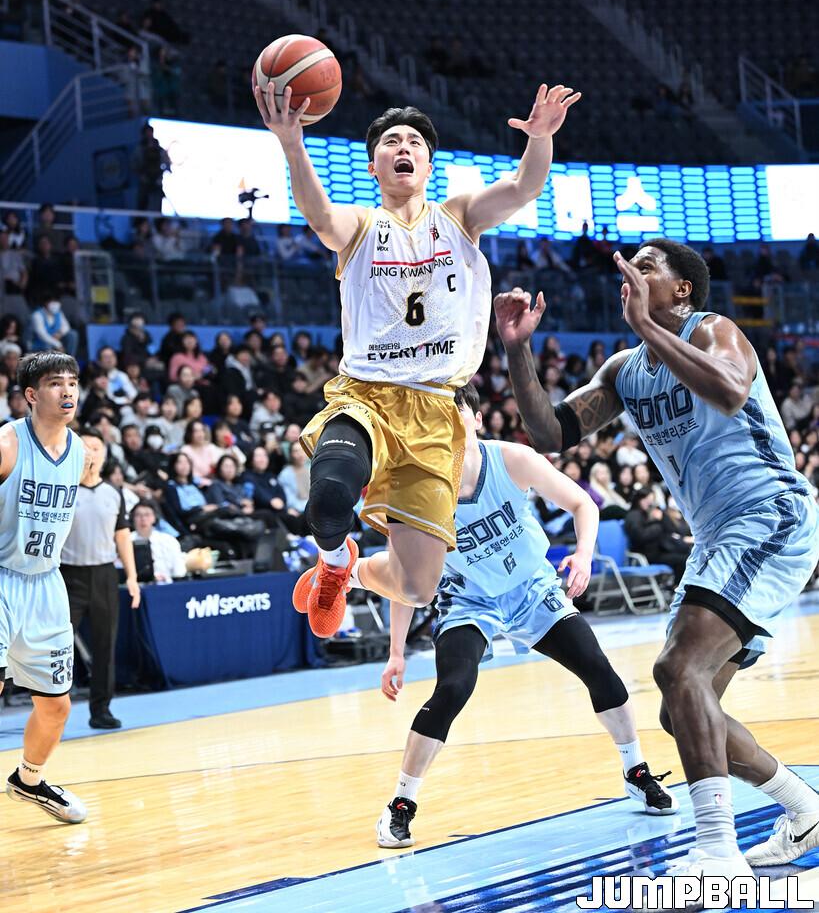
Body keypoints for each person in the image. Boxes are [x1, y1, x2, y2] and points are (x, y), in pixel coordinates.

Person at [494, 238, 819, 887]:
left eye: (647, 267)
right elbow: (550, 433)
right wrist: (516, 349)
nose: (630, 274)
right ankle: (805, 810)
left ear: (681, 290)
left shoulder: (713, 330)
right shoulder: (625, 370)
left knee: (677, 667)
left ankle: (716, 850)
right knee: (681, 709)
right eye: (629, 267)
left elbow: (730, 390)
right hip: (717, 536)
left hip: (768, 514)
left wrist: (647, 326)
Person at [253, 79, 581, 639]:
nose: (403, 147)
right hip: (367, 398)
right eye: (391, 141)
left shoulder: (459, 216)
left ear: (428, 165)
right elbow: (319, 216)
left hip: (435, 411)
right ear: (374, 166)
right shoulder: (360, 226)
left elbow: (525, 185)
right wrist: (291, 142)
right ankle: (333, 561)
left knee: (418, 586)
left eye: (414, 142)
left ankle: (354, 572)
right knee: (329, 497)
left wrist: (541, 138)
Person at [375, 383, 677, 848]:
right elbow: (405, 578)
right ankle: (400, 804)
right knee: (453, 687)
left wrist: (583, 554)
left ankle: (634, 770)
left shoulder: (511, 459)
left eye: (456, 416)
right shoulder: (420, 491)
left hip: (533, 589)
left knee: (599, 670)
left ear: (477, 420)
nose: (448, 428)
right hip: (471, 599)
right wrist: (396, 652)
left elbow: (582, 504)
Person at [0, 351, 88, 823]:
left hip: (46, 584)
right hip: (1, 575)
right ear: (32, 395)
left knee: (56, 707)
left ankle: (28, 780)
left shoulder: (81, 452)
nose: (68, 390)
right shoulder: (7, 444)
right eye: (56, 383)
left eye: (72, 381)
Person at [60, 428, 140, 729]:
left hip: (104, 573)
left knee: (105, 644)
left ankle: (101, 709)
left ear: (105, 455)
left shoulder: (114, 492)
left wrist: (131, 576)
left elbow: (123, 537)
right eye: (85, 447)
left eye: (96, 447)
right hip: (68, 575)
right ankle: (52, 709)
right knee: (59, 645)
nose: (91, 453)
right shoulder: (64, 488)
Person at [130, 501, 187, 582]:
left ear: (154, 517)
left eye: (147, 515)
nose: (143, 519)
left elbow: (179, 569)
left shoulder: (168, 540)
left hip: (167, 583)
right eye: (138, 515)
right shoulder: (127, 540)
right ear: (133, 518)